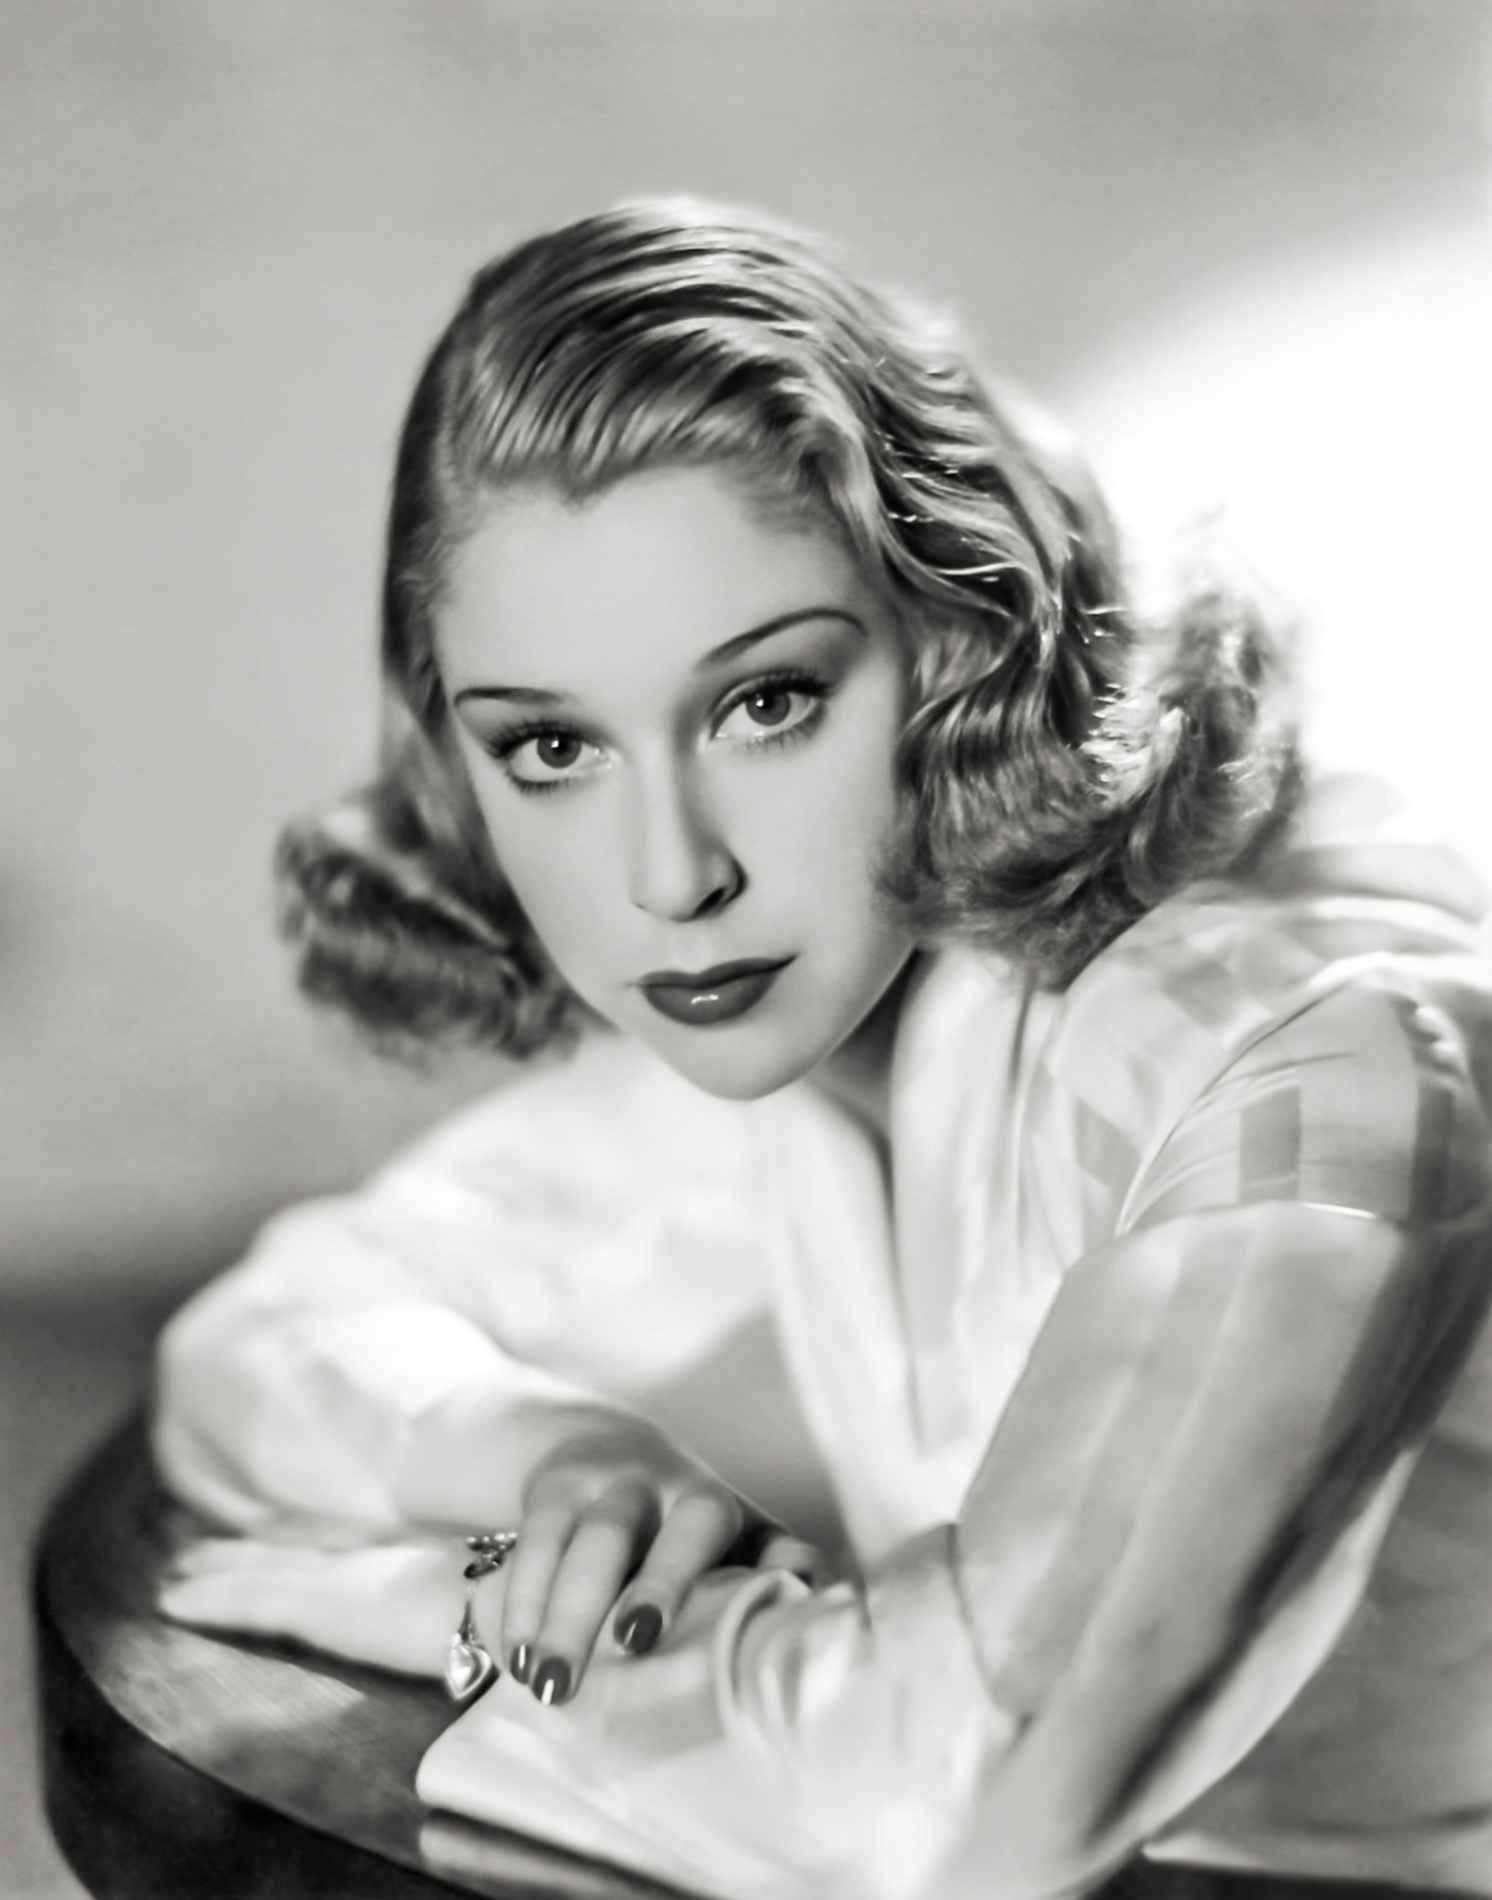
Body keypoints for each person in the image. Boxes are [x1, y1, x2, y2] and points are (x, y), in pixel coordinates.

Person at [152, 200, 1492, 1900]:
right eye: (553, 747)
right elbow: (271, 1337)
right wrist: (561, 1461)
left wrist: (477, 1620)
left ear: (963, 636)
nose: (670, 875)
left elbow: (963, 1784)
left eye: (767, 701)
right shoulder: (821, 1022)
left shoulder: (1311, 1062)